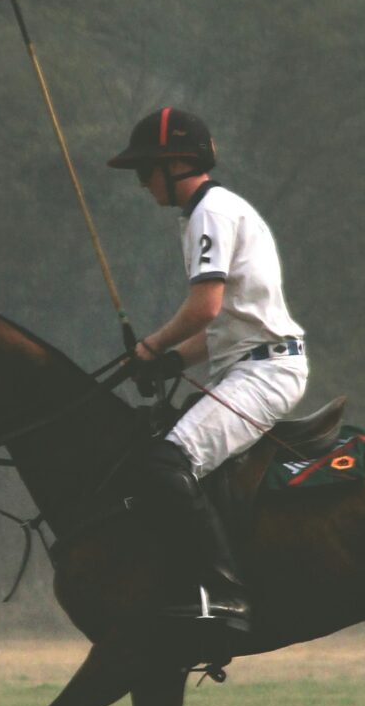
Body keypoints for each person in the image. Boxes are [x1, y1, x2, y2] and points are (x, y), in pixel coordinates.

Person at [106, 107, 309, 646]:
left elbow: (205, 309)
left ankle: (224, 591)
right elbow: (222, 327)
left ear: (176, 163)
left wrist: (151, 346)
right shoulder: (209, 212)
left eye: (146, 167)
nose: (140, 180)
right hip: (249, 361)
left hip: (264, 371)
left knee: (169, 461)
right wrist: (168, 362)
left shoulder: (209, 213)